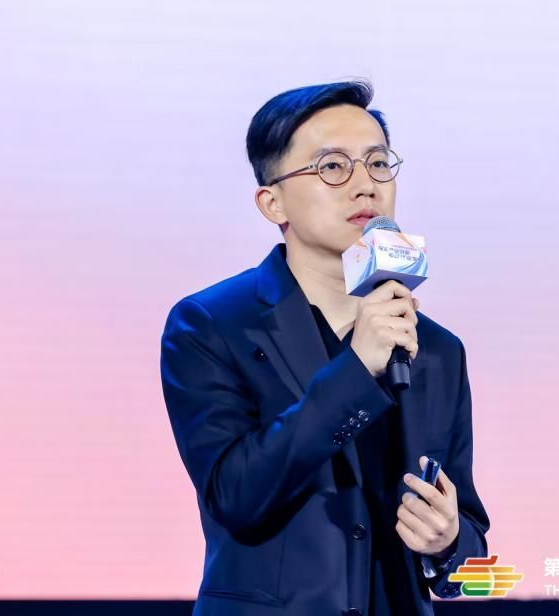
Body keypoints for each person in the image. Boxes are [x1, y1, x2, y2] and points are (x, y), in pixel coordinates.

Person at [160, 80, 490, 616]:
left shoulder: (436, 349)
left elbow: (474, 573)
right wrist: (357, 368)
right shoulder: (211, 324)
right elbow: (236, 498)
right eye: (333, 167)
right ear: (272, 202)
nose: (365, 186)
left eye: (378, 164)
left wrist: (448, 543)